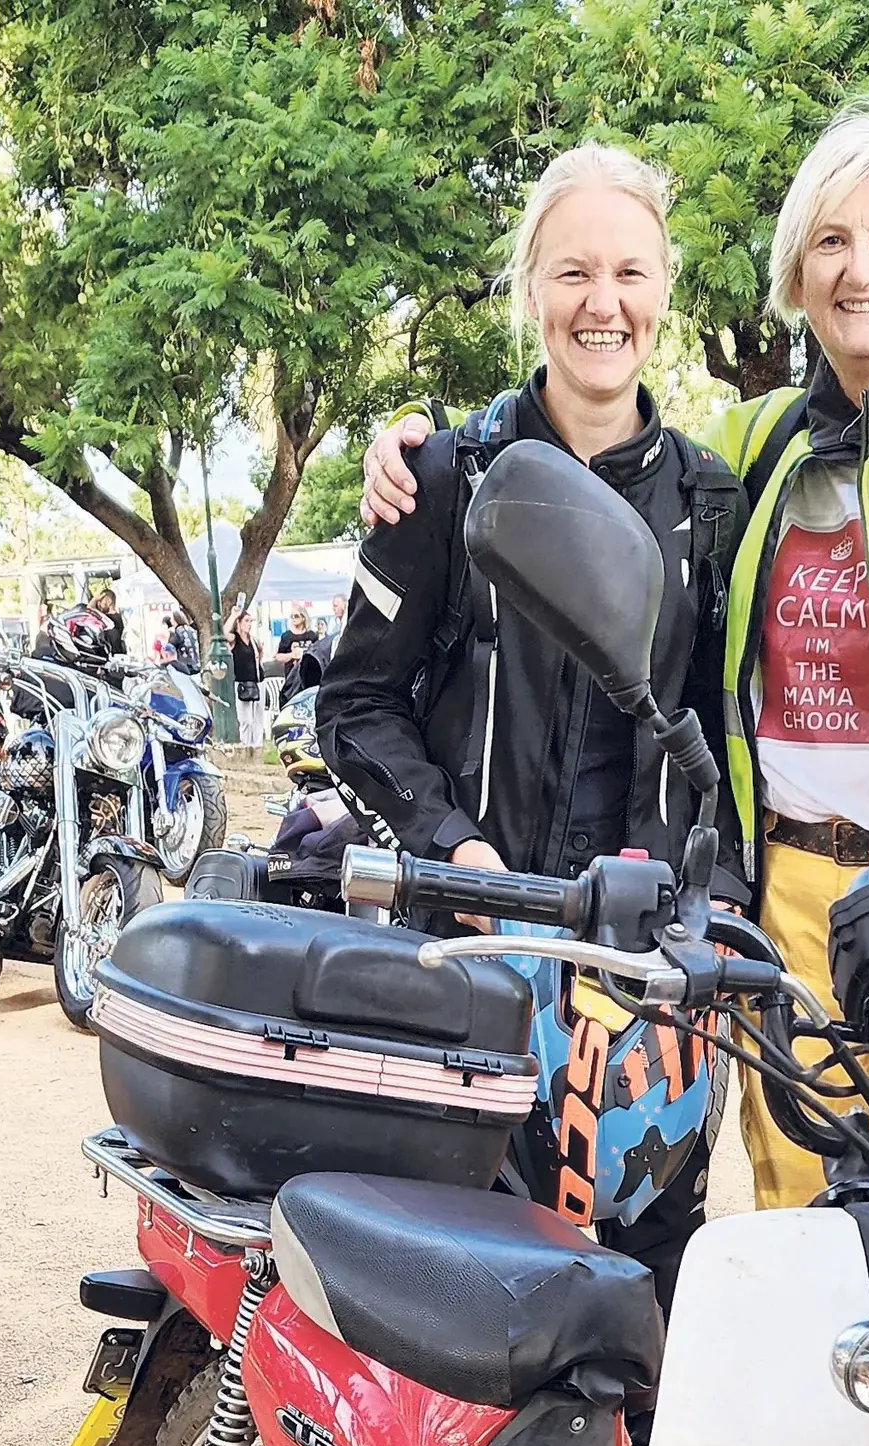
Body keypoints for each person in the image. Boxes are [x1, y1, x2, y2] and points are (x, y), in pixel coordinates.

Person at [367, 102, 869, 1211]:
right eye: (831, 241)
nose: (859, 271)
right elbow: (598, 457)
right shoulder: (749, 452)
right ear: (795, 270)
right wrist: (410, 454)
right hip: (779, 908)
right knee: (803, 1226)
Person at [322, 140, 746, 899]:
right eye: (573, 273)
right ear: (528, 291)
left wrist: (703, 910)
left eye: (629, 273)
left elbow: (726, 736)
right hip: (460, 943)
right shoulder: (436, 478)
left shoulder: (710, 501)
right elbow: (354, 707)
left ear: (664, 291)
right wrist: (454, 855)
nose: (602, 303)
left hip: (633, 958)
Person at [228, 609, 267, 746]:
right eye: (246, 621)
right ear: (239, 622)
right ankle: (246, 744)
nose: (249, 624)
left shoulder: (253, 640)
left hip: (257, 680)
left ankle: (257, 745)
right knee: (245, 719)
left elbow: (260, 654)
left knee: (257, 717)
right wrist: (234, 615)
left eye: (250, 621)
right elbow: (224, 635)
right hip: (242, 681)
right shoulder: (235, 639)